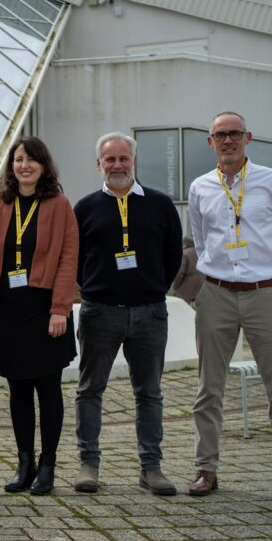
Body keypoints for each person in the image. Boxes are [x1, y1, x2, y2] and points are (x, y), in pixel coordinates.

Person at [188, 111, 272, 506]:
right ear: (210, 142)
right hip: (216, 295)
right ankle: (206, 468)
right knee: (208, 389)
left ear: (248, 137)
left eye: (234, 133)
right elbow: (201, 242)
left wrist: (270, 281)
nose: (228, 141)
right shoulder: (200, 187)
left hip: (264, 294)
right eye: (220, 135)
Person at [72, 132, 182, 496]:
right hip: (100, 312)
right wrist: (96, 289)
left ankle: (151, 467)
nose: (117, 165)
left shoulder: (160, 204)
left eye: (124, 158)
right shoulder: (85, 208)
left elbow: (172, 256)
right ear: (98, 164)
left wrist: (152, 288)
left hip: (150, 313)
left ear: (134, 161)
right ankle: (89, 464)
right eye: (110, 159)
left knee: (149, 393)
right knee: (90, 390)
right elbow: (75, 260)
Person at [0, 137, 77, 495]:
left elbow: (68, 258)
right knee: (18, 389)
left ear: (43, 165)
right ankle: (25, 463)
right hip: (9, 310)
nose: (25, 166)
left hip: (45, 307)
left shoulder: (59, 204)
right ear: (12, 166)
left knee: (48, 389)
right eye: (19, 159)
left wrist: (60, 309)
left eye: (32, 160)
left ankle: (47, 465)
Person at [171, 237, 204, 305]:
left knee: (180, 308)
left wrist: (175, 286)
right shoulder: (199, 252)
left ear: (185, 244)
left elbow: (180, 274)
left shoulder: (185, 254)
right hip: (199, 289)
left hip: (185, 290)